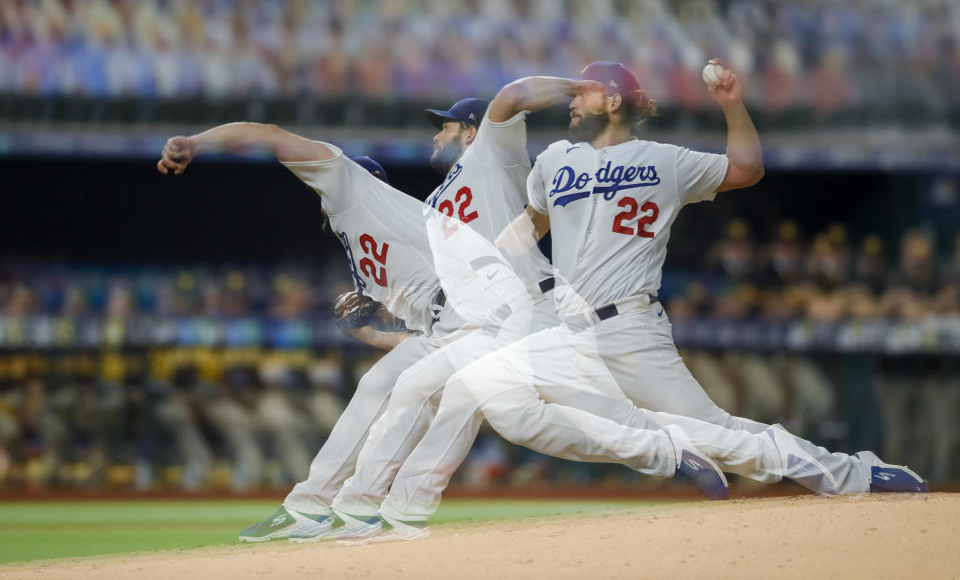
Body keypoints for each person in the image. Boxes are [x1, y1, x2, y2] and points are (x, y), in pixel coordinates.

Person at [324, 61, 928, 544]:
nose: (572, 105)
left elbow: (745, 168)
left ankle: (854, 472)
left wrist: (731, 104)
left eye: (583, 95)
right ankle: (667, 456)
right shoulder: (557, 161)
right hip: (561, 325)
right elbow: (525, 228)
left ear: (614, 100)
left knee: (717, 429)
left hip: (632, 326)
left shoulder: (664, 161)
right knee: (482, 394)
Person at [157, 104, 730, 544]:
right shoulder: (371, 244)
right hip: (457, 321)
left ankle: (673, 450)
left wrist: (197, 143)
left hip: (501, 313)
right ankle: (346, 509)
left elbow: (269, 134)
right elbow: (421, 326)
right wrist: (374, 330)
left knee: (483, 403)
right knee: (417, 391)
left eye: (447, 127)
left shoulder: (350, 184)